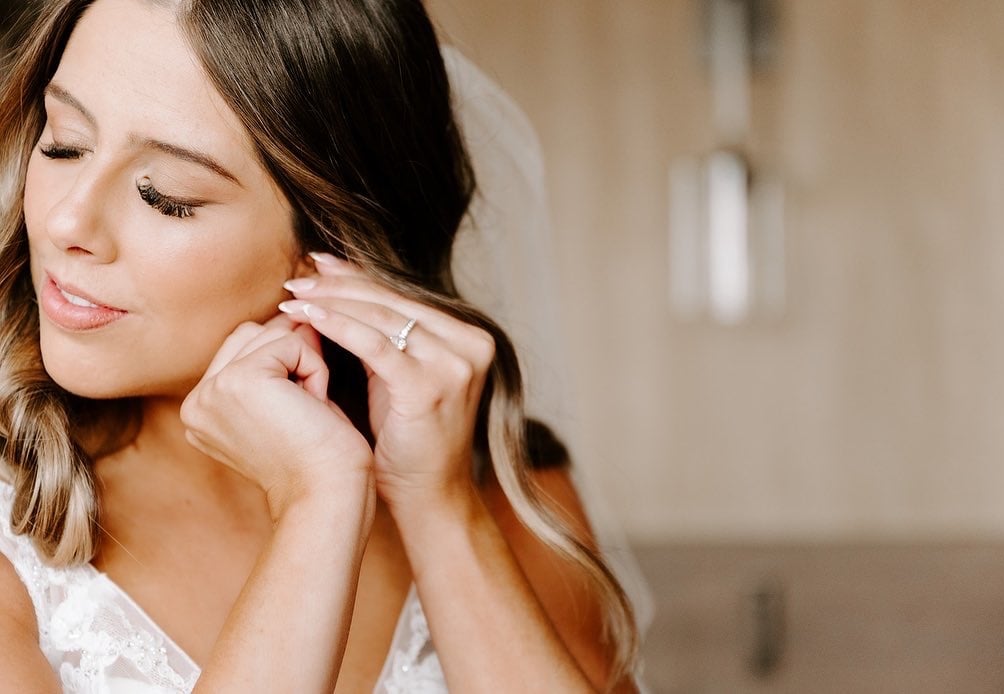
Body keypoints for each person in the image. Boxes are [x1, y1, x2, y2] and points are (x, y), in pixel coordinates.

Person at [0, 0, 641, 692]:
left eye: (165, 196)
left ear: (328, 247)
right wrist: (318, 503)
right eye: (64, 144)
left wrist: (438, 503)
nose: (67, 221)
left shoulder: (505, 486)